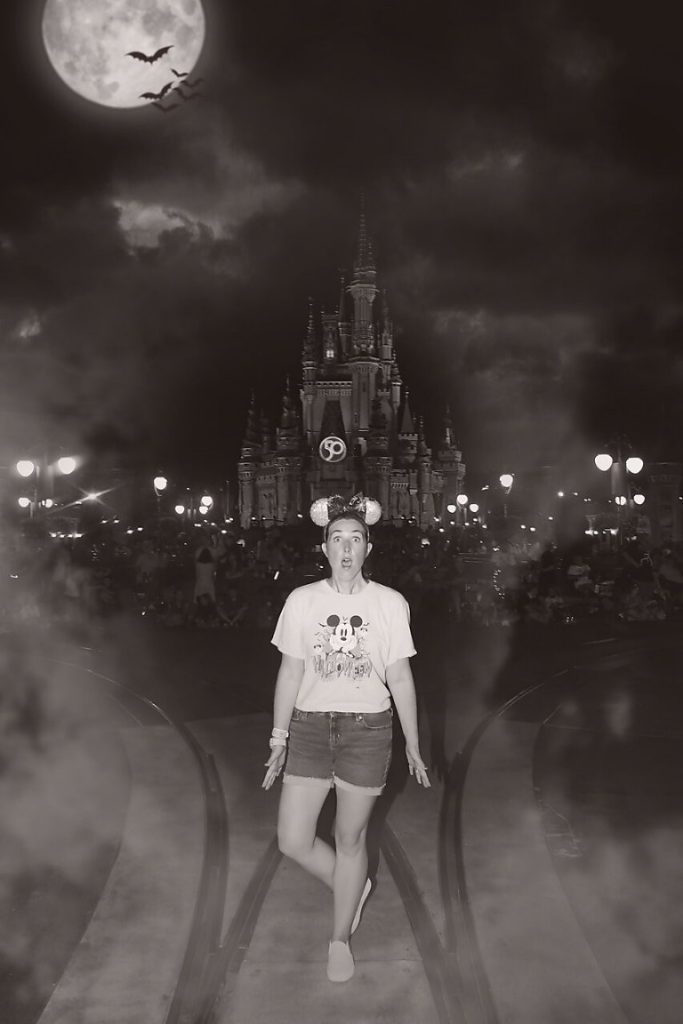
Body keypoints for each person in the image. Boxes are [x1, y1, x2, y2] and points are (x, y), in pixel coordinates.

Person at [262, 493, 430, 983]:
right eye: (338, 538)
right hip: (310, 728)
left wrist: (414, 743)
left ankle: (339, 938)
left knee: (349, 839)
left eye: (356, 538)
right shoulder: (302, 601)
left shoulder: (390, 604)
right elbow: (290, 672)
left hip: (367, 731)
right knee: (293, 839)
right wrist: (279, 738)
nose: (347, 547)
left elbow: (400, 678)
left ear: (368, 547)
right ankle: (352, 888)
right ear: (324, 547)